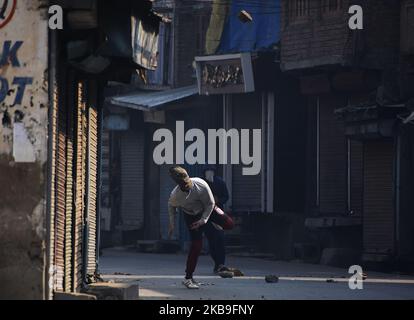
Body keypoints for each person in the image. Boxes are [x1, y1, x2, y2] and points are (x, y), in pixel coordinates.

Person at [168, 166, 234, 289]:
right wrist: (172, 223)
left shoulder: (201, 184)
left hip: (209, 209)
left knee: (230, 224)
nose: (188, 188)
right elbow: (171, 206)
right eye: (184, 187)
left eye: (188, 185)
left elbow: (211, 203)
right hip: (191, 216)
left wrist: (204, 220)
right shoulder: (175, 195)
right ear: (179, 186)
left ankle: (212, 222)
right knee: (196, 245)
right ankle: (188, 277)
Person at [203, 166, 232, 274]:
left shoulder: (220, 183)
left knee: (219, 238)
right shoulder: (201, 184)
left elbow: (226, 196)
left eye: (211, 171)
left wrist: (218, 200)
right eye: (207, 171)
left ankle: (221, 263)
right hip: (206, 215)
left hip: (218, 215)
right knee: (211, 240)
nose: (209, 173)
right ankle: (217, 263)